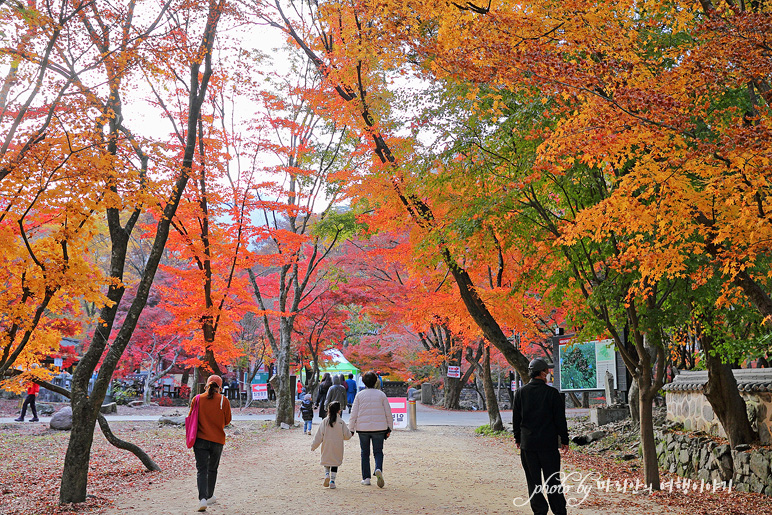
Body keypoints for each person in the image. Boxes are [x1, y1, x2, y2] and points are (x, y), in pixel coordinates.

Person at [512, 358, 569, 515]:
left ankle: (540, 511)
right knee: (553, 480)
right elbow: (560, 420)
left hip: (528, 445)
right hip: (548, 446)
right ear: (542, 373)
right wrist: (565, 440)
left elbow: (516, 420)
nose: (548, 374)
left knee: (533, 481)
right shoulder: (552, 394)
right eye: (547, 371)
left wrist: (518, 439)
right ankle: (559, 511)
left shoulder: (520, 393)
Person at [191, 375, 232, 512]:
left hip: (200, 440)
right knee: (212, 469)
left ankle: (202, 499)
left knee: (201, 470)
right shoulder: (223, 400)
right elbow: (227, 421)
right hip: (217, 441)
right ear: (220, 387)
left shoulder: (197, 399)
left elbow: (191, 417)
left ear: (206, 385)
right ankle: (209, 496)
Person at [348, 371, 393, 488]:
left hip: (363, 429)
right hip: (380, 428)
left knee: (365, 453)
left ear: (364, 382)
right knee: (378, 451)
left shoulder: (359, 395)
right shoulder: (381, 395)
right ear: (375, 381)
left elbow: (354, 413)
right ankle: (378, 468)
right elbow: (388, 412)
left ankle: (366, 478)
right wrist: (389, 428)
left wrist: (351, 429)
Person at [311, 401, 352, 489]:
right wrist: (351, 434)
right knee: (334, 463)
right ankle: (332, 481)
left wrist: (314, 446)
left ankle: (326, 475)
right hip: (337, 446)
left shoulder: (325, 422)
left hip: (327, 445)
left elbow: (319, 435)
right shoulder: (341, 422)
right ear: (339, 411)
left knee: (327, 460)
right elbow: (347, 436)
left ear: (328, 410)